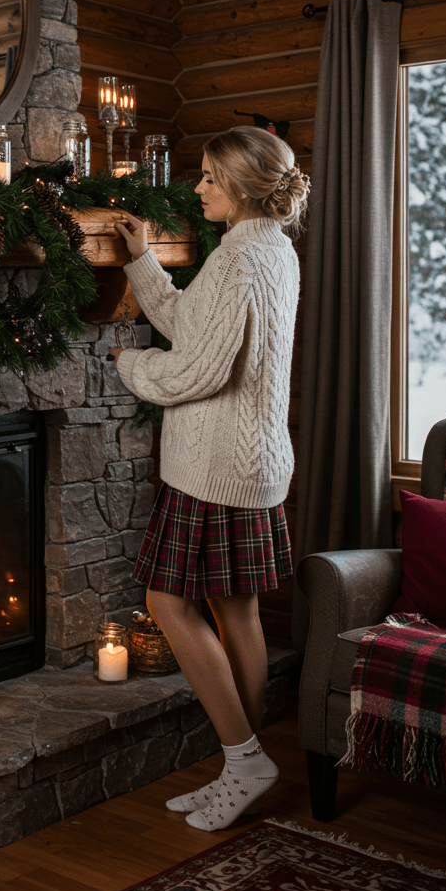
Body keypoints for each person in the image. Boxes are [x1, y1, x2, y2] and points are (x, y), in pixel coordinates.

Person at [108, 126, 309, 831]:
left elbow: (196, 369)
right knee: (239, 613)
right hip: (254, 463)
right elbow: (194, 327)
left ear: (245, 187)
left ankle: (243, 760)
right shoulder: (269, 251)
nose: (198, 190)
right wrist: (142, 261)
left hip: (216, 466)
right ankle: (242, 764)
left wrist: (129, 367)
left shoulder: (238, 261)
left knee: (167, 603)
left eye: (209, 179)